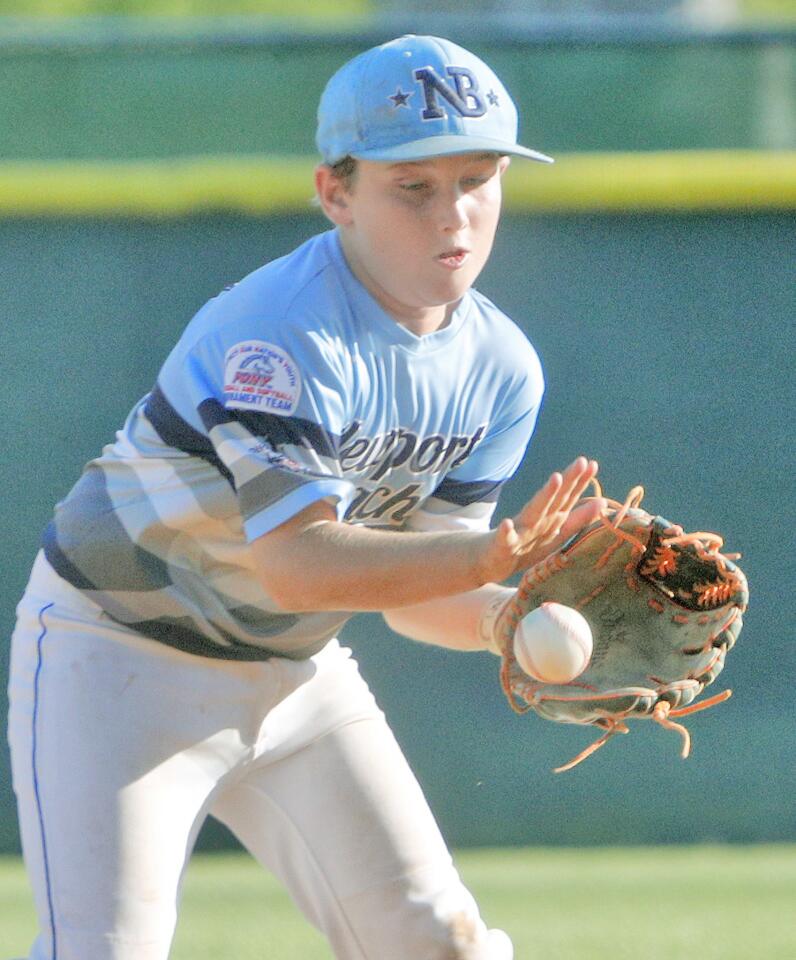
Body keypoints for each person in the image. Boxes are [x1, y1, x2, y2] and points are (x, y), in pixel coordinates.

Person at [7, 34, 602, 960]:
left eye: (478, 178)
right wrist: (494, 559)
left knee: (441, 945)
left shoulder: (500, 368)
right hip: (116, 660)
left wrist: (511, 618)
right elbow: (300, 566)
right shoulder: (282, 329)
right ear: (336, 193)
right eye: (414, 186)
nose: (454, 214)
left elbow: (421, 594)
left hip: (296, 680)